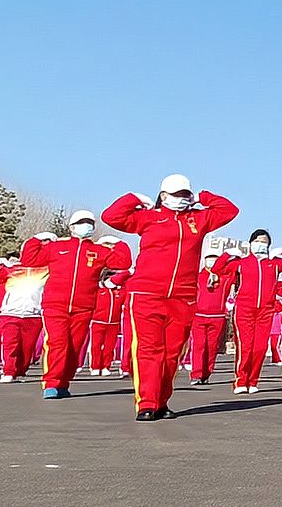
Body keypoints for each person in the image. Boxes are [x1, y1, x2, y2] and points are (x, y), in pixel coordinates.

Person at [101, 176, 240, 421]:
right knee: (148, 350)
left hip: (183, 297)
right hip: (146, 294)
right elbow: (111, 217)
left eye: (185, 194)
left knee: (171, 353)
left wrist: (202, 197)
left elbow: (229, 210)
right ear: (163, 196)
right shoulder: (148, 218)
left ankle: (161, 401)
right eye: (176, 194)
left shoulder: (197, 218)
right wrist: (133, 198)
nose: (181, 199)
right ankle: (146, 403)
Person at [21, 210, 132, 399]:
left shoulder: (99, 251)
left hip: (84, 306)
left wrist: (119, 243)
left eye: (89, 222)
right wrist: (36, 239)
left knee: (74, 346)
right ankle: (52, 382)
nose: (86, 225)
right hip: (55, 304)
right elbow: (28, 259)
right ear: (71, 227)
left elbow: (123, 262)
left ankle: (64, 381)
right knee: (57, 343)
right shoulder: (57, 248)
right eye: (81, 222)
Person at [213, 230, 282, 395]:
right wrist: (226, 255)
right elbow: (218, 269)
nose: (262, 243)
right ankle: (241, 381)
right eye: (258, 240)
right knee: (245, 347)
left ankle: (253, 381)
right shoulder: (241, 263)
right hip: (244, 309)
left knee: (260, 348)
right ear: (251, 243)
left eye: (265, 241)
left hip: (265, 311)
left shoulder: (274, 264)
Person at [0, 255, 47, 381]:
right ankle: (8, 371)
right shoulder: (11, 270)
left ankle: (19, 369)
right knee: (9, 343)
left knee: (27, 347)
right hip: (10, 312)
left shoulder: (45, 270)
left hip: (33, 313)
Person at [186, 252, 232, 385]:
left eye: (215, 260)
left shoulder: (225, 278)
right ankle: (196, 374)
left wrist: (226, 257)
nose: (211, 262)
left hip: (217, 317)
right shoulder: (198, 277)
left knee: (211, 347)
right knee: (199, 345)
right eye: (209, 260)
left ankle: (206, 373)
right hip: (198, 316)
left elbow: (234, 269)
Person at [90, 265, 130, 377]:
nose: (110, 278)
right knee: (96, 346)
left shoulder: (120, 291)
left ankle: (106, 366)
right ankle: (95, 366)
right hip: (98, 321)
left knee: (109, 347)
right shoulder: (98, 290)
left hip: (114, 322)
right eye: (108, 276)